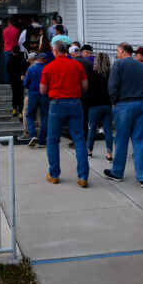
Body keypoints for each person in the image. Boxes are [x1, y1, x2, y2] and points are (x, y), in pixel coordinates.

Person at [41, 39, 90, 187]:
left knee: (53, 140)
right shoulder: (77, 65)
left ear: (56, 51)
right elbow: (85, 87)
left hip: (56, 104)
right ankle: (83, 177)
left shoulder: (48, 67)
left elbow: (42, 90)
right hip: (75, 103)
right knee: (79, 139)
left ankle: (54, 174)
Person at [104, 42, 143, 187]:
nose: (117, 53)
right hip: (142, 103)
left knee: (121, 139)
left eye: (118, 51)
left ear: (123, 51)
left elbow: (112, 86)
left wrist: (113, 102)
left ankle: (117, 172)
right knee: (141, 140)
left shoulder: (118, 65)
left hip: (124, 105)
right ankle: (142, 177)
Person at [86, 52, 113, 159]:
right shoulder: (111, 74)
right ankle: (109, 153)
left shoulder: (92, 74)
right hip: (108, 104)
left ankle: (89, 150)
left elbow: (88, 90)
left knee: (92, 128)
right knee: (108, 129)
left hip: (94, 105)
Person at [25, 53, 49, 148]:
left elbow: (26, 83)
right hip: (45, 95)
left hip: (33, 95)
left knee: (30, 115)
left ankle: (33, 134)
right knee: (44, 117)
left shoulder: (32, 68)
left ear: (37, 59)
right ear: (46, 60)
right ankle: (42, 140)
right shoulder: (48, 68)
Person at [6, 44, 27, 117]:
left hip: (13, 79)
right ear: (19, 51)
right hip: (21, 79)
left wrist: (11, 76)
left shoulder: (10, 60)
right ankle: (21, 111)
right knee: (21, 94)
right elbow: (25, 69)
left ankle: (14, 108)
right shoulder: (22, 59)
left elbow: (7, 70)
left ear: (12, 51)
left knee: (14, 93)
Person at [1, 18, 21, 84]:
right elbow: (18, 39)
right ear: (13, 22)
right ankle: (15, 79)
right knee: (16, 66)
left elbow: (4, 39)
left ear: (8, 22)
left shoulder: (4, 30)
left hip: (6, 49)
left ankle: (7, 80)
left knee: (7, 66)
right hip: (14, 50)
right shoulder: (17, 30)